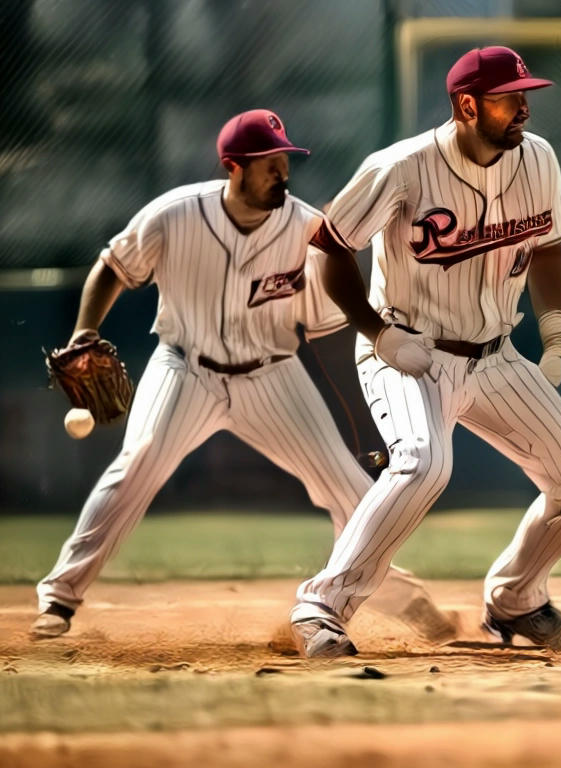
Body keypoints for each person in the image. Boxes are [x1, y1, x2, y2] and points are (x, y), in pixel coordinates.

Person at [31, 109, 456, 645]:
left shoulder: (306, 230)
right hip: (185, 367)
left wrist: (356, 420)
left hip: (271, 375)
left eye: (285, 162)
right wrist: (85, 331)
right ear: (234, 167)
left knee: (351, 489)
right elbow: (112, 268)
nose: (282, 172)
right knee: (137, 464)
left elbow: (325, 330)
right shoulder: (174, 215)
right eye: (268, 164)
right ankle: (59, 598)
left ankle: (405, 601)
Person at [289, 46, 561, 658]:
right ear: (466, 105)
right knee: (423, 462)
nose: (524, 108)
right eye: (509, 98)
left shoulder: (536, 158)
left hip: (496, 357)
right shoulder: (403, 166)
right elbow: (329, 245)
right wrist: (374, 330)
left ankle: (517, 601)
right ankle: (322, 607)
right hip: (409, 350)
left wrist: (554, 321)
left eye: (525, 95)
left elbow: (546, 246)